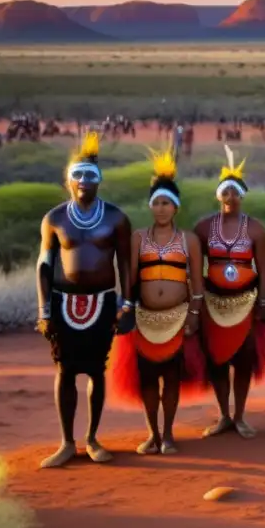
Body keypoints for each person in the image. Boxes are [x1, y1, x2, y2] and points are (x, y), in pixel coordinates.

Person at [36, 131, 133, 468]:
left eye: (91, 175)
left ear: (100, 181)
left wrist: (127, 305)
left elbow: (125, 263)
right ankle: (66, 442)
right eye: (77, 174)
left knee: (96, 371)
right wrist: (44, 309)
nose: (84, 180)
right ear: (67, 179)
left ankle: (92, 438)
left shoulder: (116, 218)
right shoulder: (55, 219)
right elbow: (44, 265)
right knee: (65, 370)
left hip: (102, 302)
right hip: (63, 304)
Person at [108, 148, 207, 454]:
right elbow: (131, 279)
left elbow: (198, 282)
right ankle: (152, 433)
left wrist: (194, 313)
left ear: (175, 207)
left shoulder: (188, 239)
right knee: (148, 379)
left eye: (166, 203)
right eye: (156, 203)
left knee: (172, 379)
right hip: (145, 318)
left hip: (177, 318)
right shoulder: (138, 238)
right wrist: (127, 308)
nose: (161, 209)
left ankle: (168, 435)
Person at [193, 145, 265, 439]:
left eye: (235, 193)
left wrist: (264, 303)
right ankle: (223, 415)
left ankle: (240, 416)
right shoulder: (203, 228)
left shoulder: (256, 229)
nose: (230, 198)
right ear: (218, 195)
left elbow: (264, 269)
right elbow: (194, 266)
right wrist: (198, 302)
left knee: (243, 359)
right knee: (217, 358)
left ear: (242, 196)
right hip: (213, 303)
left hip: (247, 302)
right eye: (226, 192)